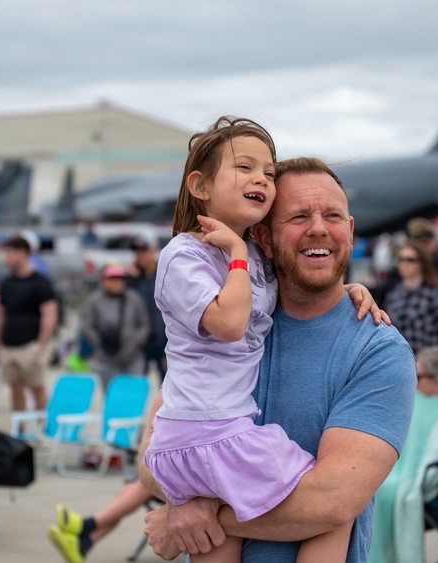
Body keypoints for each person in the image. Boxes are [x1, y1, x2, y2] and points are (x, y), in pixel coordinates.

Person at [137, 155, 415, 562]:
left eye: (333, 216)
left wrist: (198, 512)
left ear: (351, 231)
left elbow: (333, 503)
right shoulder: (229, 326)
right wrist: (186, 499)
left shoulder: (378, 352)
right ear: (264, 239)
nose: (318, 228)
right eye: (299, 217)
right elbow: (151, 452)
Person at [369, 334, 438, 563]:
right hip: (397, 474)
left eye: (417, 376)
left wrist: (414, 472)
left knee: (385, 489)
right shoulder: (415, 401)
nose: (413, 382)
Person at [0, 235, 58, 414]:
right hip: (9, 345)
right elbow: (0, 314)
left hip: (31, 345)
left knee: (37, 387)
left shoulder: (41, 283)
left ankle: (41, 424)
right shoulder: (8, 283)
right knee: (15, 387)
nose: (6, 258)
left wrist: (41, 344)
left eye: (9, 253)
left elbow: (50, 314)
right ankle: (19, 426)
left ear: (22, 253)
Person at [377, 218, 438, 335]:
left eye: (427, 242)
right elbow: (382, 302)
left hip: (436, 339)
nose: (423, 247)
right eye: (419, 242)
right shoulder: (399, 272)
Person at [80, 265, 150, 388]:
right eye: (112, 279)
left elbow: (144, 324)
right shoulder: (94, 300)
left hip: (132, 357)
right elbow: (87, 325)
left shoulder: (133, 298)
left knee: (133, 393)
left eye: (119, 279)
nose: (116, 283)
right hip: (106, 358)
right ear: (103, 281)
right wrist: (100, 342)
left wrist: (135, 342)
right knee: (112, 394)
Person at [383, 242, 438, 354]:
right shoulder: (393, 295)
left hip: (428, 361)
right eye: (401, 259)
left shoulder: (437, 296)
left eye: (410, 260)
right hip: (399, 359)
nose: (404, 264)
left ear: (422, 263)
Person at [127, 237, 168, 379]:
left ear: (153, 251)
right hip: (140, 344)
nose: (140, 255)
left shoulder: (165, 273)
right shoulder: (131, 279)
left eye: (144, 251)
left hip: (164, 341)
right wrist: (130, 276)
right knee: (137, 385)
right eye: (137, 252)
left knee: (167, 385)